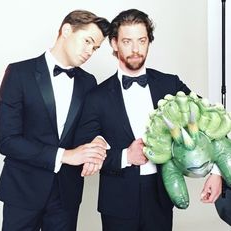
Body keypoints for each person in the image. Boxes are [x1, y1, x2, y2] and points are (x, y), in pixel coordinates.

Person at [74, 9, 222, 231]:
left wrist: (217, 172)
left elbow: (211, 121)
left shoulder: (170, 85)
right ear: (114, 43)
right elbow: (82, 148)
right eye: (127, 41)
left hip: (160, 196)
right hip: (117, 203)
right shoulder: (97, 96)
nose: (136, 49)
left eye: (142, 40)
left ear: (149, 42)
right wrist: (126, 156)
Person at [0, 10, 110, 231]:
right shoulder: (19, 73)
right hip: (22, 191)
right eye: (87, 41)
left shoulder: (88, 82)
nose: (90, 52)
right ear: (66, 30)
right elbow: (7, 140)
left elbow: (91, 127)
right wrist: (65, 155)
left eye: (95, 48)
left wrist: (98, 141)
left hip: (66, 195)